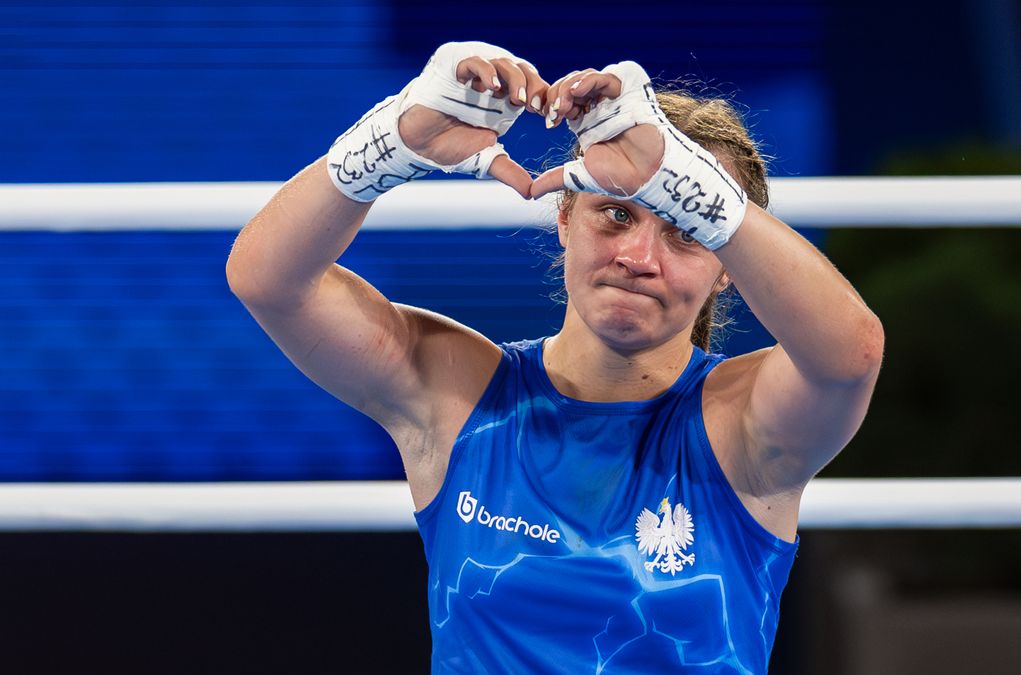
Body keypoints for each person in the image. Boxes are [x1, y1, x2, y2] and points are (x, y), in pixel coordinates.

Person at [226, 41, 884, 673]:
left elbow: (850, 354)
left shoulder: (741, 423)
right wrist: (390, 143)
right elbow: (268, 281)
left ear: (726, 270)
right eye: (618, 215)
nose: (639, 260)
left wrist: (696, 189)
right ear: (564, 216)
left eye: (686, 231)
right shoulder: (459, 393)